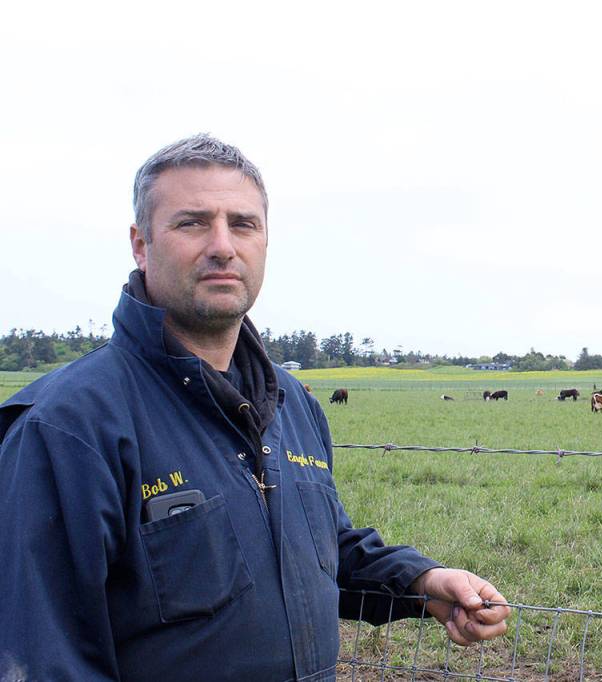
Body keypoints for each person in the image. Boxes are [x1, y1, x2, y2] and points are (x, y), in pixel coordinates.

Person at [0, 134, 510, 681]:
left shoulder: (292, 406)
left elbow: (320, 553)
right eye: (192, 222)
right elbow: (42, 658)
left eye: (242, 224)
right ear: (141, 244)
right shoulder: (67, 425)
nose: (223, 245)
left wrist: (420, 581)